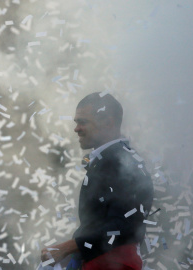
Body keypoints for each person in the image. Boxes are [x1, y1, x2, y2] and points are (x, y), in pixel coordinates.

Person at [41, 93, 154, 270]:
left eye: (82, 122)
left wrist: (68, 247)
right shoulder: (113, 159)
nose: (76, 129)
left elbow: (125, 225)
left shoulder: (120, 162)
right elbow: (97, 225)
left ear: (108, 122)